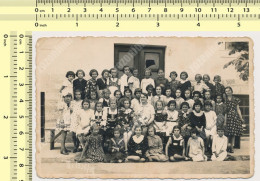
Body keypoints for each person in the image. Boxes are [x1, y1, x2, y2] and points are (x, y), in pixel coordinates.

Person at [225, 86, 244, 153]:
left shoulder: (236, 99)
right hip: (227, 116)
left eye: (229, 90)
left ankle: (231, 147)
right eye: (226, 91)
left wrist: (241, 118)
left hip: (234, 116)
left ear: (231, 91)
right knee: (227, 132)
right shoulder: (224, 99)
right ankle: (227, 146)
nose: (228, 92)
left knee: (233, 132)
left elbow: (238, 109)